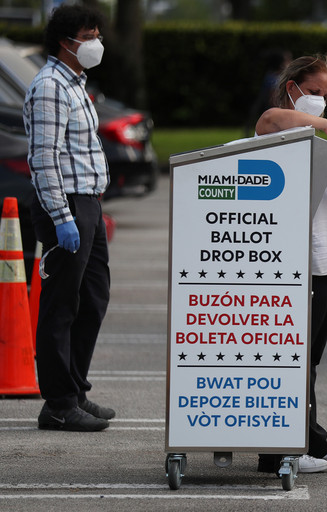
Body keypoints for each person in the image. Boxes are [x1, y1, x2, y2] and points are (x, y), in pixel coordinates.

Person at [255, 54, 327, 474]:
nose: (320, 102)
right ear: (293, 86)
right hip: (300, 261)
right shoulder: (277, 123)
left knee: (309, 357)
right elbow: (273, 118)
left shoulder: (315, 140)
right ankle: (282, 448)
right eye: (314, 92)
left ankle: (310, 439)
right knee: (294, 356)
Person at [23, 4, 115, 432]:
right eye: (89, 35)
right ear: (66, 41)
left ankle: (73, 390)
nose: (97, 42)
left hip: (88, 203)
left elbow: (81, 149)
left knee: (93, 299)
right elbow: (44, 158)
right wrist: (61, 216)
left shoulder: (75, 83)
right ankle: (59, 402)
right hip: (68, 206)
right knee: (61, 305)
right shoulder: (49, 87)